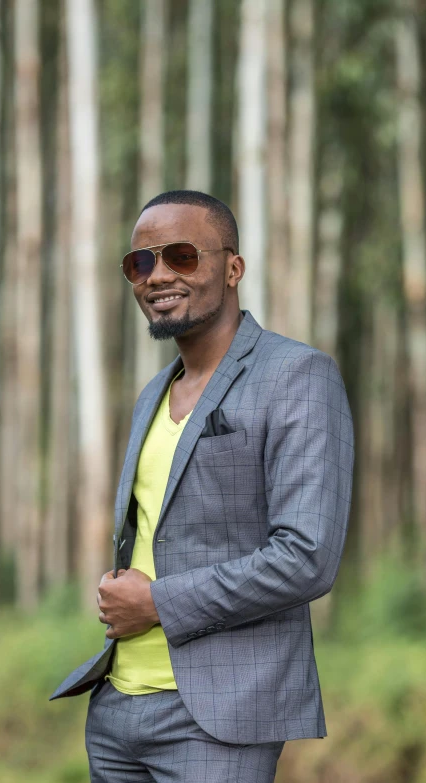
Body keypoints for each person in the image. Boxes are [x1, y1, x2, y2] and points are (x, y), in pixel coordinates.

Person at [49, 190, 355, 783]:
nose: (157, 275)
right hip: (116, 710)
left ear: (233, 267)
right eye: (140, 262)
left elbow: (308, 557)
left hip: (218, 718)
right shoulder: (153, 394)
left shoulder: (297, 375)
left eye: (182, 256)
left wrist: (156, 603)